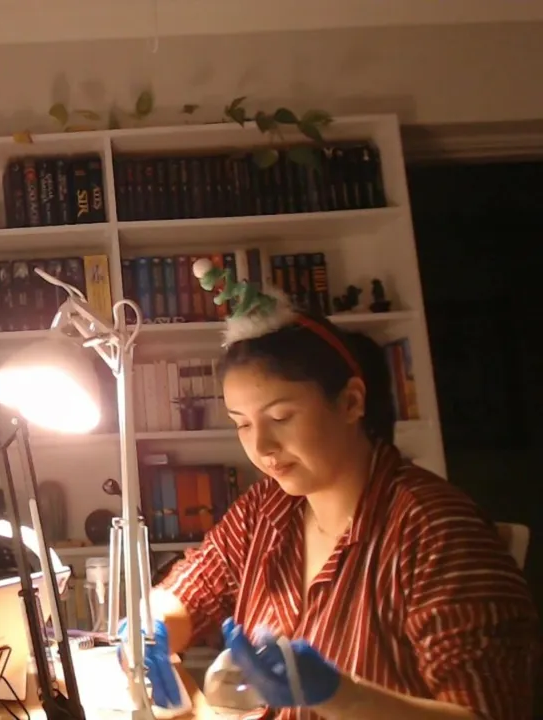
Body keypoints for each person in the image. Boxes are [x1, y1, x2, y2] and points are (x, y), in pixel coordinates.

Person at [128, 267, 538, 720]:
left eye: (280, 417)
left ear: (351, 402)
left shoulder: (436, 532)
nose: (261, 446)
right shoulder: (266, 508)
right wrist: (150, 629)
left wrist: (342, 695)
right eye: (241, 424)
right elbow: (191, 588)